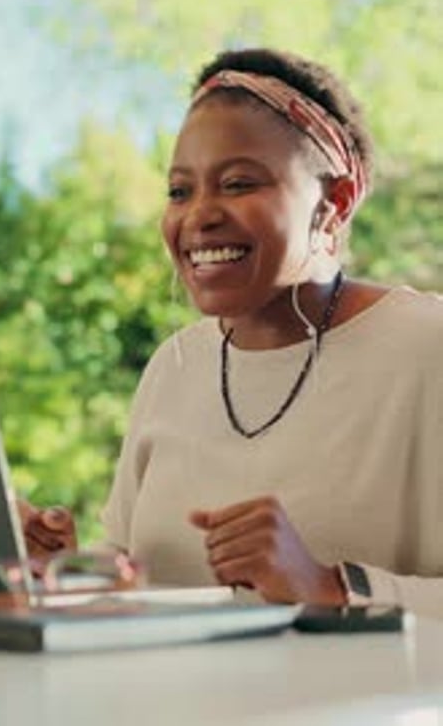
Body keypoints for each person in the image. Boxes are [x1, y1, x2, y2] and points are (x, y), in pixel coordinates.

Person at [23, 48, 443, 616]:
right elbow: (140, 574)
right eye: (180, 191)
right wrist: (64, 571)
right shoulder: (174, 366)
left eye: (239, 183)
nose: (199, 215)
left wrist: (334, 587)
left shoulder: (426, 348)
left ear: (334, 202)